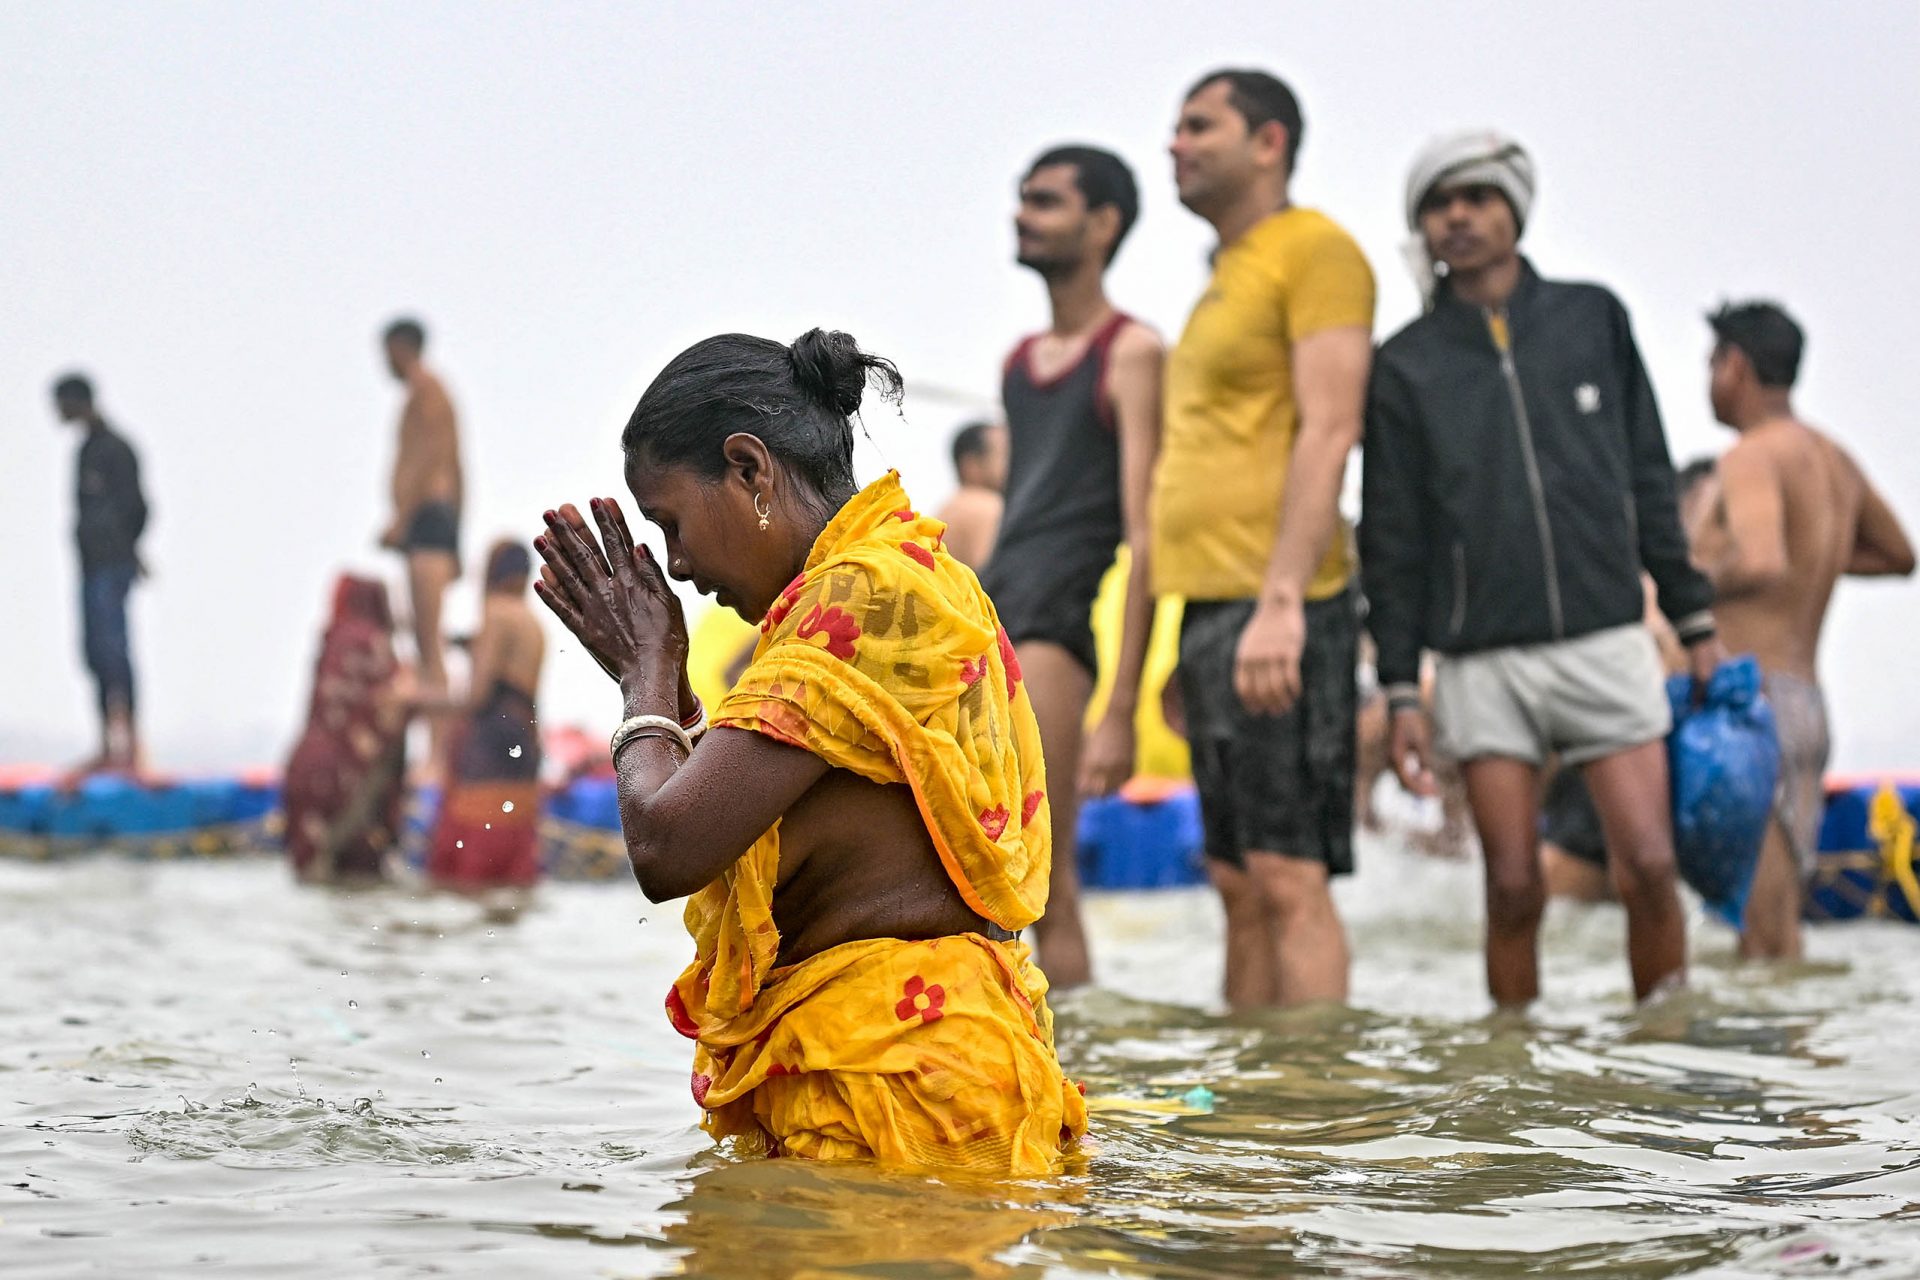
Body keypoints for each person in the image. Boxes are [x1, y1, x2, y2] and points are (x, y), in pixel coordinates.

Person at [532, 327, 1086, 1172]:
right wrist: (668, 688)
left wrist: (645, 676)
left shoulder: (862, 595)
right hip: (906, 1081)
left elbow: (669, 844)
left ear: (750, 469)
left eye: (672, 523)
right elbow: (740, 805)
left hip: (902, 1092)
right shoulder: (884, 582)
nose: (677, 565)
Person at [1364, 131, 1722, 1008]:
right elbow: (1393, 538)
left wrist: (1695, 621)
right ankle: (1513, 1076)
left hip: (1606, 635)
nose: (1459, 215)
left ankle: (1665, 1043)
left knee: (1648, 864)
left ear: (1514, 210)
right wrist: (1403, 690)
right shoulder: (1404, 364)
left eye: (1478, 198)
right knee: (1514, 886)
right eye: (1441, 202)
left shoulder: (1592, 317)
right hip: (1483, 661)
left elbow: (1648, 474)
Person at [1151, 69, 1374, 1009]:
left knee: (1287, 876)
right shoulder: (1221, 279)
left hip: (1283, 606)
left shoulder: (1315, 249)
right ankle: (1249, 1110)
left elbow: (1331, 428)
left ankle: (1320, 1112)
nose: (1176, 143)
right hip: (1214, 610)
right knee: (1238, 881)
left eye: (1200, 125)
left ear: (1269, 141)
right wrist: (1187, 642)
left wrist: (1282, 602)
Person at [981, 144, 1164, 989]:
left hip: (1058, 628)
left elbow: (1146, 532)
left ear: (1103, 224)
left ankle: (1071, 1085)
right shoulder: (1018, 364)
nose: (1025, 214)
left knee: (1049, 885)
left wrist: (1120, 706)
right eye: (1024, 199)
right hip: (994, 613)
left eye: (1047, 202)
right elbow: (1021, 508)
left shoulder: (1130, 352)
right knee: (980, 876)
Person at [1692, 300, 1915, 959]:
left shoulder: (1751, 456)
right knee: (1775, 934)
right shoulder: (1833, 459)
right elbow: (1899, 554)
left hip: (1751, 708)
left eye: (1711, 365)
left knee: (1761, 943)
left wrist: (1680, 584)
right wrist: (1815, 563)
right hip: (1804, 704)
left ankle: (1782, 1060)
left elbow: (1762, 561)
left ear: (1735, 366)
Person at [1541, 460, 1717, 904]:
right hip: (1611, 765)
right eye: (1718, 515)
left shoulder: (1679, 593)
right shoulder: (1645, 587)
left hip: (1644, 762)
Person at [421, 540, 548, 893]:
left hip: (490, 744)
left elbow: (478, 696)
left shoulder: (496, 612)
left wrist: (422, 702)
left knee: (468, 870)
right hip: (523, 743)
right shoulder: (533, 622)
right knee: (510, 864)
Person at [52, 374, 150, 776]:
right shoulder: (85, 450)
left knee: (114, 650)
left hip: (112, 566)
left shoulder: (116, 449)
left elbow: (139, 507)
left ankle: (129, 744)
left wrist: (126, 548)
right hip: (90, 567)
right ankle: (106, 744)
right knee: (94, 652)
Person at [378, 317, 464, 767]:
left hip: (428, 520)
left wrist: (401, 517)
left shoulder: (425, 391)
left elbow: (431, 461)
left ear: (401, 347)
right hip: (433, 521)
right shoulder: (431, 392)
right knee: (425, 638)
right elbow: (456, 464)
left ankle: (439, 753)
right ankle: (436, 748)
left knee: (428, 641)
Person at [283, 576, 409, 883]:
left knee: (312, 875)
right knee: (357, 875)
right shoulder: (373, 643)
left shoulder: (331, 639)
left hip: (305, 769)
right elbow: (389, 710)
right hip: (348, 776)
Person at [932, 420, 1007, 572]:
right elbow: (997, 576)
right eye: (1005, 455)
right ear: (971, 464)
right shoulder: (983, 506)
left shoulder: (951, 506)